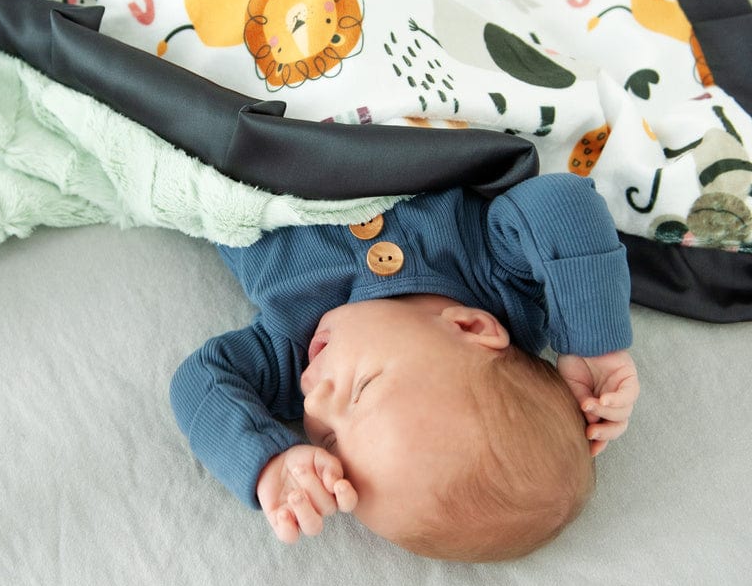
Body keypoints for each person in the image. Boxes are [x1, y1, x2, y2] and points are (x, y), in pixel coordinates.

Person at [170, 172, 640, 561]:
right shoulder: (500, 280)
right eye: (362, 389)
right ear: (472, 328)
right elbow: (562, 201)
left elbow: (200, 382)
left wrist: (267, 461)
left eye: (328, 440)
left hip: (246, 131)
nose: (314, 399)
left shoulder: (288, 351)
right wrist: (592, 341)